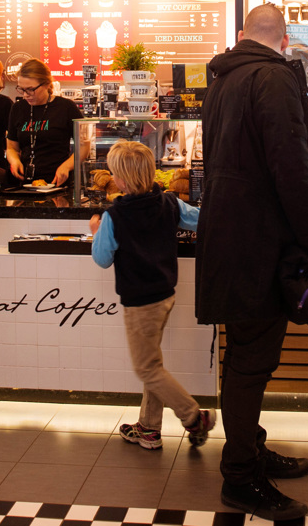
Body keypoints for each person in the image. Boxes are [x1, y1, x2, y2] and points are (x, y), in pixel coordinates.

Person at [196, 4, 308, 521]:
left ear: (242, 35)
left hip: (230, 237)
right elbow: (292, 169)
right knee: (252, 362)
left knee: (243, 355)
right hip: (259, 244)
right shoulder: (274, 78)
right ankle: (241, 477)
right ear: (284, 41)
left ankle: (250, 449)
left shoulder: (223, 78)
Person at [88, 140, 215, 451]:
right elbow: (201, 220)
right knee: (153, 363)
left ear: (120, 179)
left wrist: (96, 231)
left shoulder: (115, 216)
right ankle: (148, 428)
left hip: (139, 302)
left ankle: (193, 416)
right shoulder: (169, 202)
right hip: (165, 294)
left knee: (146, 368)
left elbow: (102, 258)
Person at [5, 58, 83, 187]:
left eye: (30, 89)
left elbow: (84, 147)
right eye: (22, 89)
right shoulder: (18, 108)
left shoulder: (66, 107)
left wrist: (66, 167)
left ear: (46, 84)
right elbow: (11, 147)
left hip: (57, 182)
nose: (26, 95)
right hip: (25, 185)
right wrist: (14, 161)